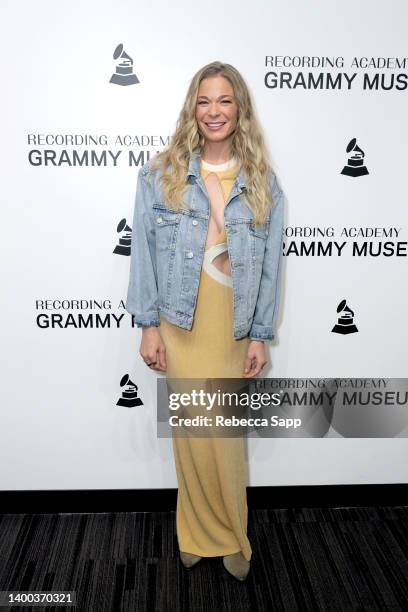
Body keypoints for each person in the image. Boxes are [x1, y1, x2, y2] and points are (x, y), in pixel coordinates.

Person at [126, 61, 284, 581]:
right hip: (180, 323)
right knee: (192, 435)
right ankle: (194, 534)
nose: (214, 112)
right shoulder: (161, 174)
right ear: (192, 108)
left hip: (231, 328)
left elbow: (268, 271)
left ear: (240, 109)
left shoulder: (261, 182)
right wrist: (149, 325)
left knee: (226, 441)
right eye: (204, 101)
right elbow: (144, 256)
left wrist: (259, 336)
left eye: (225, 101)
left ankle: (233, 536)